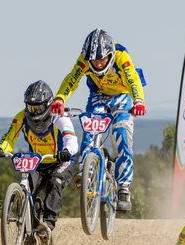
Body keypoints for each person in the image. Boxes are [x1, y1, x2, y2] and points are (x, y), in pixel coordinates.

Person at [50, 28, 147, 211]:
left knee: (121, 135)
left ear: (110, 55)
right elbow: (73, 78)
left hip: (123, 94)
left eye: (101, 60)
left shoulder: (121, 56)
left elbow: (133, 79)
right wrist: (60, 98)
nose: (98, 65)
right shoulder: (84, 59)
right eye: (94, 61)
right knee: (90, 130)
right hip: (99, 95)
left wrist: (139, 101)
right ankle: (87, 174)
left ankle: (124, 187)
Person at [0, 80, 78, 243]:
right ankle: (27, 230)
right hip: (37, 162)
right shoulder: (21, 117)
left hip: (60, 161)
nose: (34, 112)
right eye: (30, 107)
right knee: (27, 186)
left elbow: (71, 138)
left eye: (38, 108)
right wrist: (0, 148)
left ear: (49, 104)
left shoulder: (59, 117)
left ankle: (48, 225)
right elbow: (9, 137)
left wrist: (67, 151)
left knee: (55, 182)